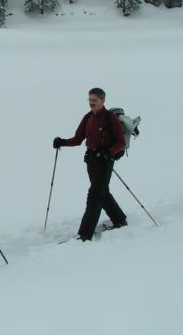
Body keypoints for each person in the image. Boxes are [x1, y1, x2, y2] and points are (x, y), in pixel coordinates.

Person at [53, 88, 128, 241]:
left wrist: (109, 152)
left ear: (102, 101)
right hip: (91, 161)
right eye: (89, 100)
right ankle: (120, 220)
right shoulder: (88, 117)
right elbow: (77, 139)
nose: (91, 103)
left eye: (94, 100)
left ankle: (84, 235)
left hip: (105, 162)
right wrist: (62, 142)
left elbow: (121, 143)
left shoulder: (110, 118)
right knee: (102, 193)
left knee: (94, 196)